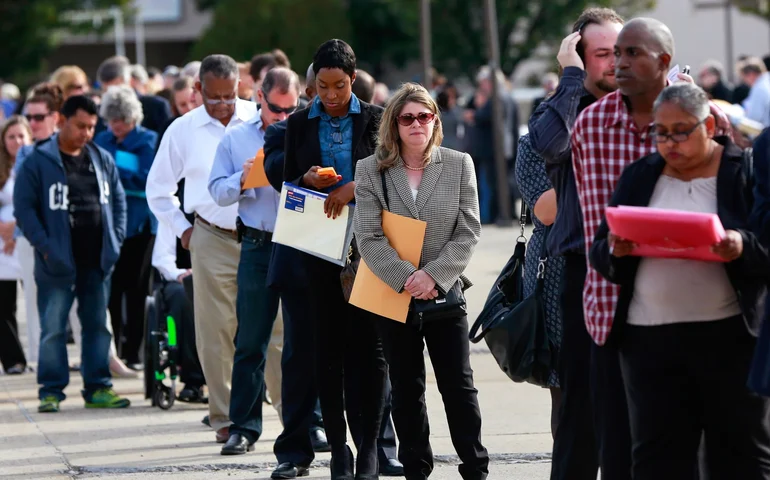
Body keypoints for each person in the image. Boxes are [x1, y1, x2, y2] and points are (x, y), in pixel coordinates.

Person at [571, 18, 733, 479]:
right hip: (613, 309)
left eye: (632, 54)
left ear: (663, 62)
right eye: (615, 53)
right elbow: (591, 227)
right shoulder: (591, 125)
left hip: (703, 310)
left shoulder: (707, 119)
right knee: (622, 454)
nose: (619, 63)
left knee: (701, 453)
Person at [590, 83, 770, 479]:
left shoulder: (745, 170)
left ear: (709, 124)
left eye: (681, 131)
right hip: (649, 342)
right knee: (658, 457)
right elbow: (599, 250)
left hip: (729, 339)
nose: (670, 142)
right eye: (660, 132)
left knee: (739, 454)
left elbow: (766, 247)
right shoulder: (640, 175)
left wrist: (741, 245)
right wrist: (615, 250)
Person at [354, 82, 488, 480]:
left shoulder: (459, 163)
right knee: (407, 390)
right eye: (408, 117)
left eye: (424, 116)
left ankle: (475, 467)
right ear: (394, 124)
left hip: (444, 294)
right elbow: (368, 236)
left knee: (459, 387)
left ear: (435, 120)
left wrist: (434, 275)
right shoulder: (370, 170)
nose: (417, 124)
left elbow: (468, 230)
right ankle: (416, 468)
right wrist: (408, 277)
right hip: (395, 295)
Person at [283, 39, 387, 480]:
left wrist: (354, 187)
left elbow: (392, 176)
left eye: (339, 86)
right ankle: (339, 448)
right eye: (322, 87)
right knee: (327, 349)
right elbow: (287, 185)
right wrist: (304, 179)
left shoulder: (378, 119)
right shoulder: (296, 124)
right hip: (318, 245)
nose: (330, 96)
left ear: (353, 78)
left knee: (371, 350)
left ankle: (369, 449)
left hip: (371, 245)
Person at [527, 8, 624, 479]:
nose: (614, 63)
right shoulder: (559, 106)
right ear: (580, 57)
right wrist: (569, 79)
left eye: (622, 52)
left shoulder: (647, 105)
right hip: (579, 271)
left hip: (645, 271)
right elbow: (549, 146)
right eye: (602, 54)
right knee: (577, 411)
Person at [147, 54, 258, 444]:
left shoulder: (258, 119)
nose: (224, 105)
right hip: (209, 235)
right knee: (216, 331)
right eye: (215, 98)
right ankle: (226, 418)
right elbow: (157, 190)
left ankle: (289, 411)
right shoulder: (182, 130)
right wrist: (183, 230)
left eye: (231, 96)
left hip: (259, 235)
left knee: (272, 326)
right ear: (197, 90)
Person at [13, 95, 129, 412]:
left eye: (92, 127)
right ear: (61, 120)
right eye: (80, 126)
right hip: (56, 262)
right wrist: (47, 249)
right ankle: (50, 391)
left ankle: (98, 387)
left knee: (97, 325)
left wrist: (115, 241)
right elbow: (24, 210)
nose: (86, 133)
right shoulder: (37, 161)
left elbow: (118, 203)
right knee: (53, 328)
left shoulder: (102, 158)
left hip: (97, 259)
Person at [207, 67, 300, 458]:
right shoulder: (237, 137)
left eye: (291, 109)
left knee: (302, 339)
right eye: (277, 109)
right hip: (259, 244)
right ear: (260, 98)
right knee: (251, 340)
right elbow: (216, 191)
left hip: (299, 242)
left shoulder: (306, 131)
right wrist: (242, 180)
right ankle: (243, 427)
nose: (283, 117)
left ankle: (307, 424)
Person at [94, 85, 159, 369]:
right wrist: (122, 171)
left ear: (132, 118)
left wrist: (113, 171)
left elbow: (147, 178)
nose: (114, 126)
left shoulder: (148, 140)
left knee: (136, 289)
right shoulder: (101, 138)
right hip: (108, 226)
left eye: (119, 120)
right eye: (110, 120)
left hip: (141, 227)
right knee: (111, 289)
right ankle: (113, 351)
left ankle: (134, 352)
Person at [514, 133, 563, 437]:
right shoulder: (535, 142)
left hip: (619, 265)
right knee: (565, 390)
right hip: (556, 269)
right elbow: (545, 211)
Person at [150, 217, 206, 403]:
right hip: (181, 278)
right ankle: (193, 379)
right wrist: (180, 274)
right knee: (184, 296)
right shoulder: (173, 212)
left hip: (223, 276)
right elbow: (162, 258)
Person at [0, 116, 32, 374]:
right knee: (3, 304)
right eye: (11, 137)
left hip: (26, 237)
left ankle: (38, 357)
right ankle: (13, 360)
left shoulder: (34, 163)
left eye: (21, 136)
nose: (17, 141)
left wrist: (15, 228)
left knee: (35, 301)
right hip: (1, 245)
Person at [96, 56, 173, 134]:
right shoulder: (101, 112)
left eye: (116, 87)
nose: (113, 95)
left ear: (130, 81)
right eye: (107, 91)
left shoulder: (156, 107)